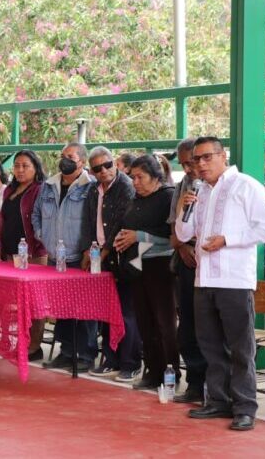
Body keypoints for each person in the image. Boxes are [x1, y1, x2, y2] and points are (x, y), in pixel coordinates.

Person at [175, 137, 265, 432]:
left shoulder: (246, 186)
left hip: (234, 279)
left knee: (240, 347)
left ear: (223, 156)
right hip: (203, 278)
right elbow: (183, 234)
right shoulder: (199, 192)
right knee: (209, 344)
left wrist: (227, 240)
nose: (200, 165)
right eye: (196, 160)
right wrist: (184, 209)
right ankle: (217, 400)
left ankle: (244, 407)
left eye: (207, 158)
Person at [114, 154, 176, 390]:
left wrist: (138, 237)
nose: (135, 182)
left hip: (160, 265)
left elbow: (172, 239)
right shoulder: (136, 200)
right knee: (144, 321)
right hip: (137, 265)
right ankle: (152, 369)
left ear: (156, 177)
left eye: (140, 177)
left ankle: (170, 372)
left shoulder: (167, 197)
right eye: (133, 177)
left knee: (164, 322)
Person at [81, 147, 140, 382]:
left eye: (107, 165)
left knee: (127, 313)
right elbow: (88, 221)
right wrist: (88, 248)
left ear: (114, 163)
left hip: (123, 257)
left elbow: (120, 222)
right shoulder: (93, 190)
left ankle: (130, 362)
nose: (103, 171)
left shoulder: (126, 186)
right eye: (97, 168)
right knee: (106, 311)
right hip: (99, 256)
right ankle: (111, 358)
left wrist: (103, 252)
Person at [35, 142, 95, 370]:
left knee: (84, 308)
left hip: (79, 257)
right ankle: (67, 352)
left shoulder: (89, 187)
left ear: (82, 161)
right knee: (62, 307)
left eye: (70, 156)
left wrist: (88, 249)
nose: (65, 160)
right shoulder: (49, 185)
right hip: (55, 256)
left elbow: (93, 220)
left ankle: (86, 355)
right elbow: (37, 214)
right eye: (62, 156)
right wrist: (43, 236)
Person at [0, 150, 47, 360]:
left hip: (33, 252)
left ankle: (34, 346)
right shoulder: (10, 190)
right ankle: (11, 340)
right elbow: (1, 219)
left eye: (25, 166)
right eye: (17, 166)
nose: (20, 170)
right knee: (11, 300)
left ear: (36, 168)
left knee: (33, 302)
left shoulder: (40, 190)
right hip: (10, 252)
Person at [167, 138, 208, 403]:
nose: (189, 168)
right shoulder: (182, 185)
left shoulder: (214, 185)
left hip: (211, 261)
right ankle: (194, 383)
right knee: (187, 328)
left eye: (191, 162)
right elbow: (173, 227)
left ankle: (214, 388)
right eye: (183, 164)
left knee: (209, 328)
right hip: (185, 261)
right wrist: (182, 248)